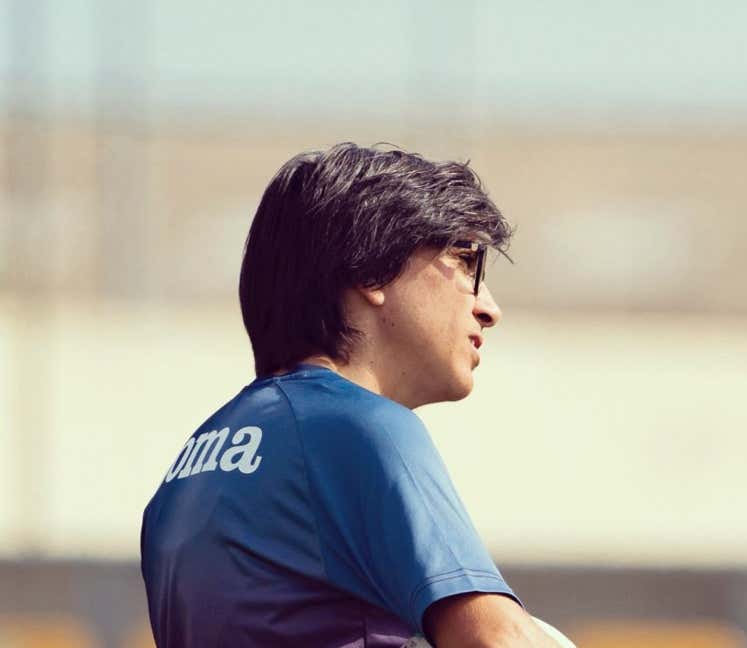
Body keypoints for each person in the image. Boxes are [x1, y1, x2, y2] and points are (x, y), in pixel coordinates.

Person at [141, 143, 568, 647]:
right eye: (466, 260)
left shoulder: (192, 464)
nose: (489, 308)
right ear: (371, 270)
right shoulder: (356, 425)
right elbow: (500, 642)